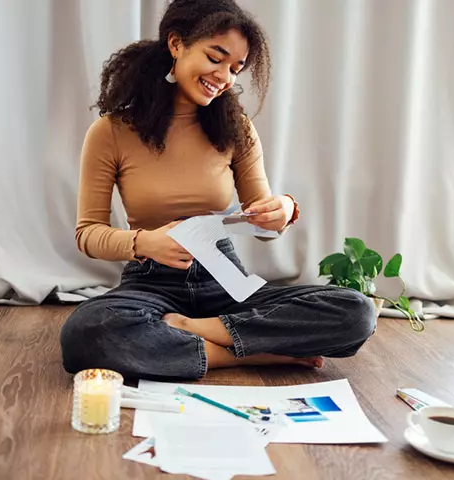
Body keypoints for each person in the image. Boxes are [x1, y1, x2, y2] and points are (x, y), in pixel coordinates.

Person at [60, 0, 376, 380]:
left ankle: (196, 332)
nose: (224, 76)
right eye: (216, 57)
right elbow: (88, 234)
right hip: (150, 281)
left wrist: (283, 210)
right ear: (176, 45)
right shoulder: (111, 132)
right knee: (84, 332)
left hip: (224, 281)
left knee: (356, 311)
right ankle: (249, 354)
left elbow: (262, 216)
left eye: (235, 68)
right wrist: (144, 242)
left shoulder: (235, 128)